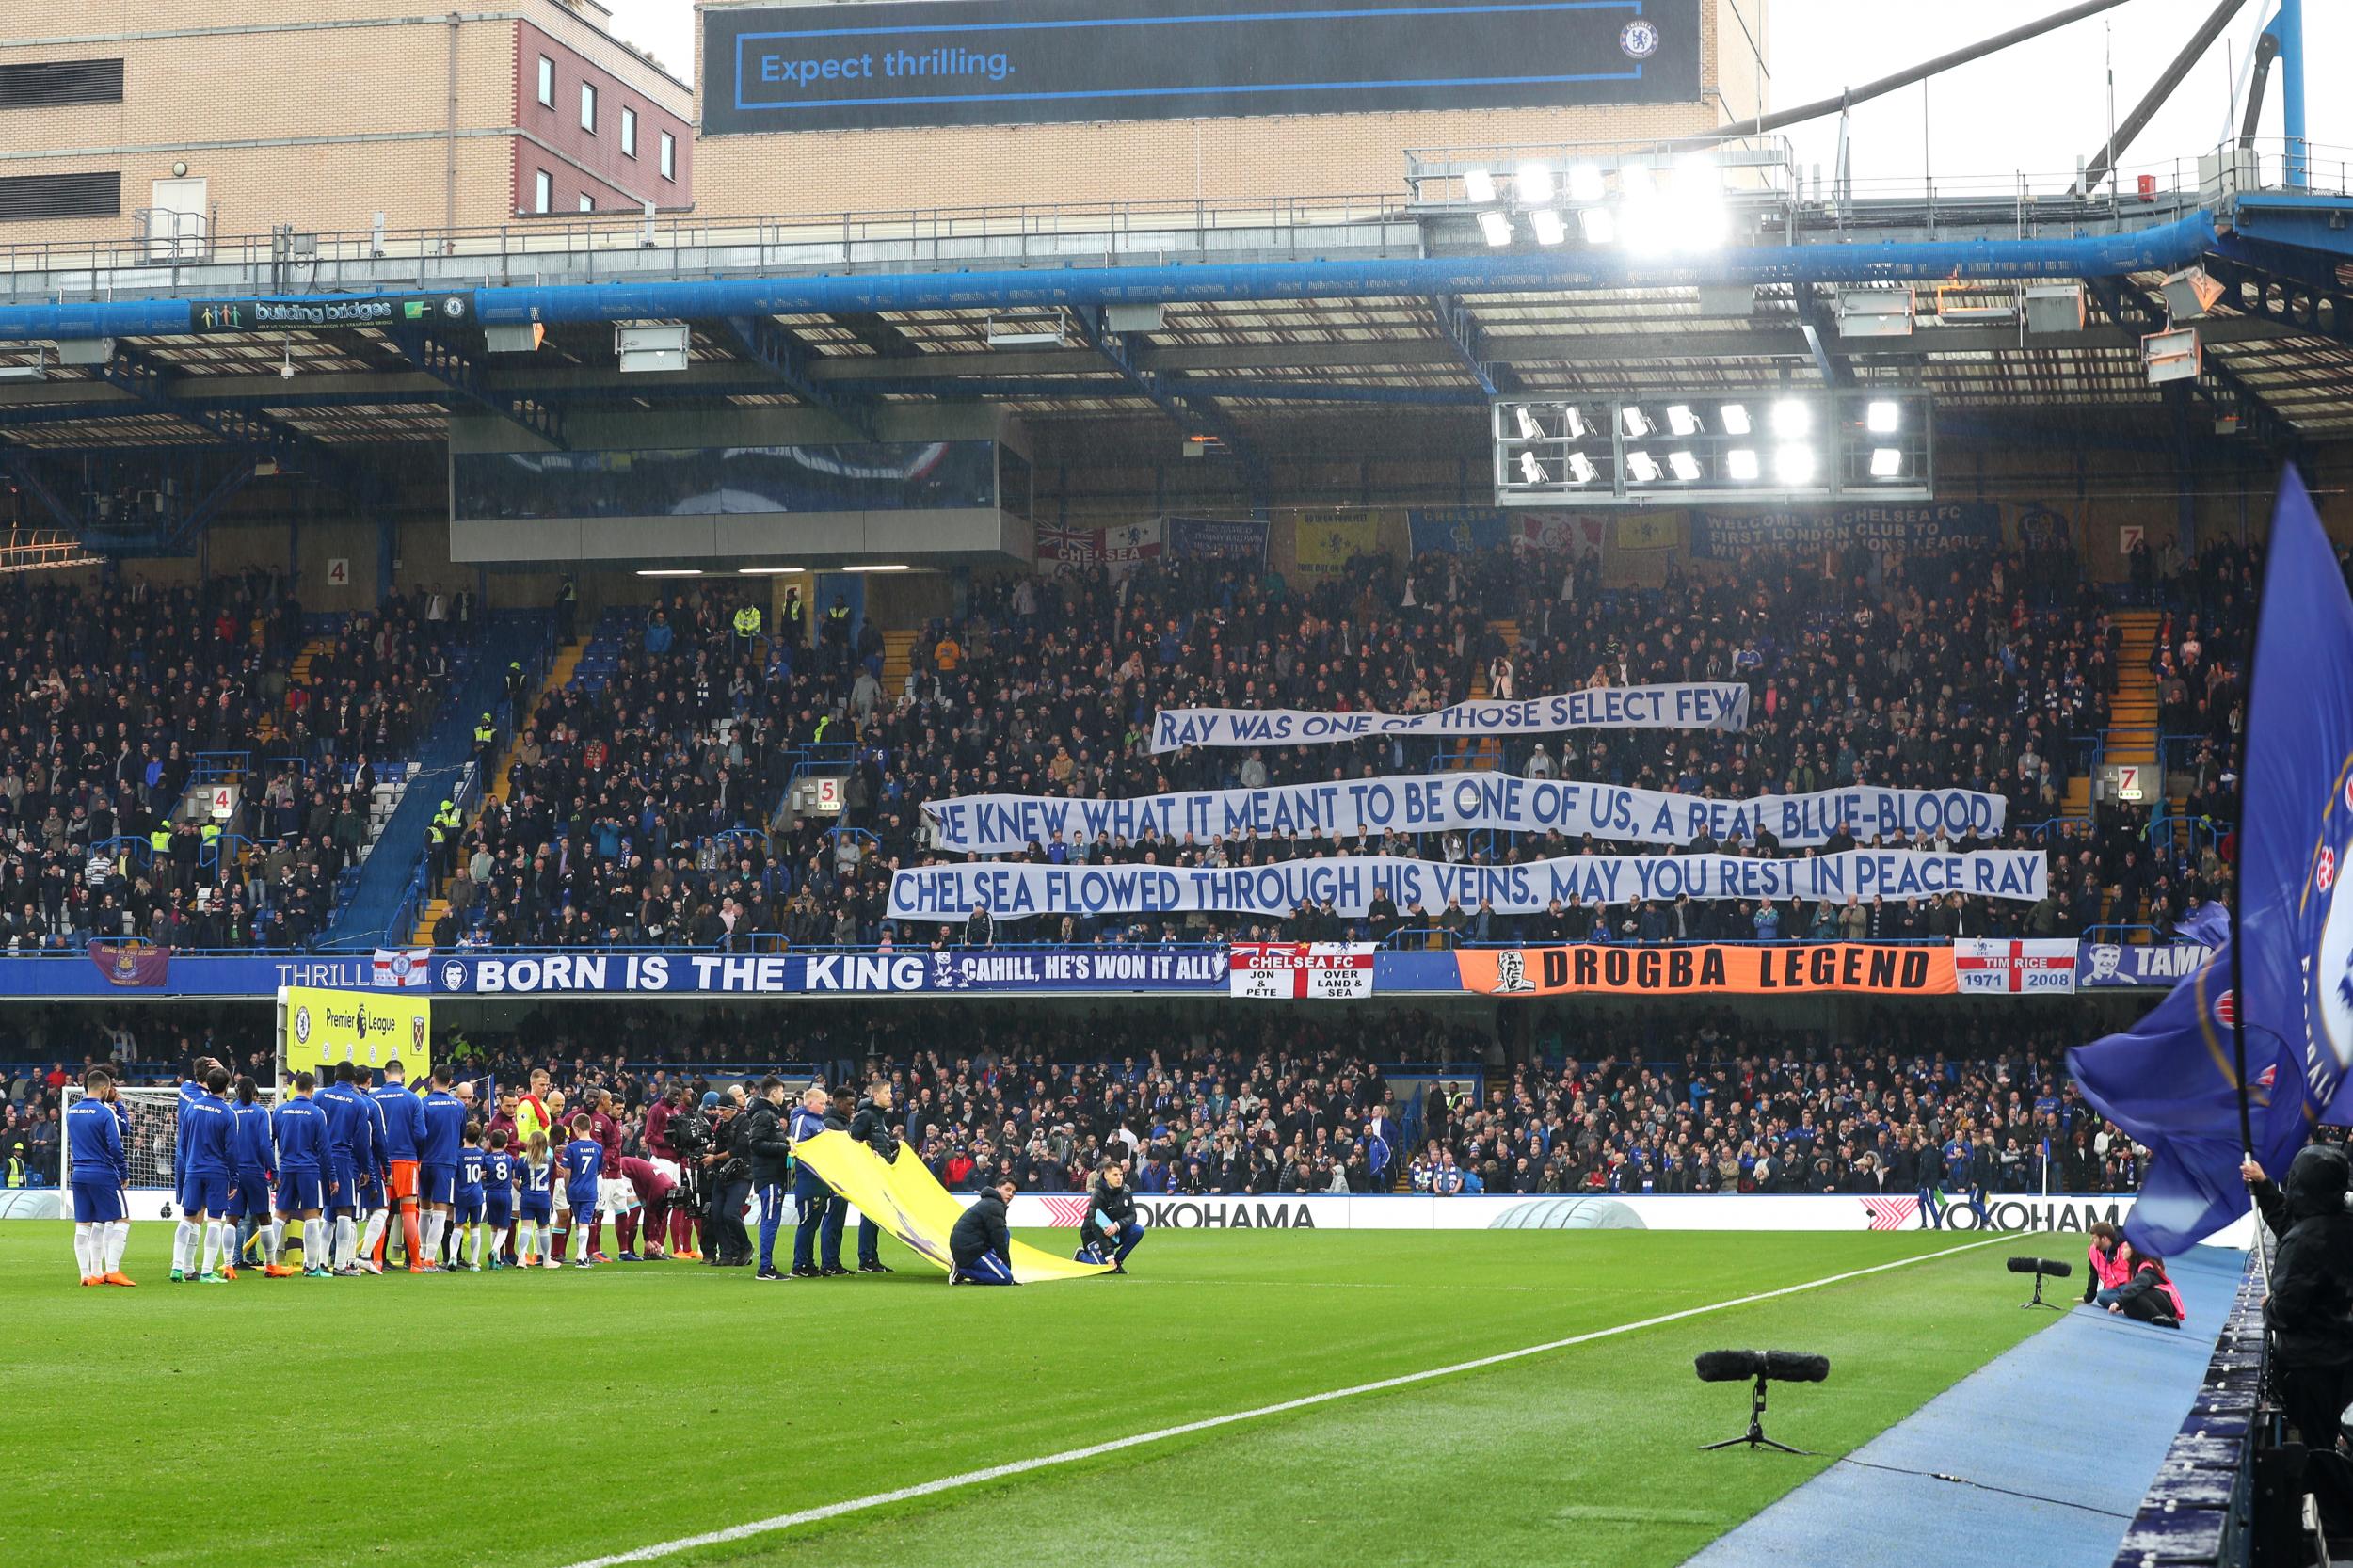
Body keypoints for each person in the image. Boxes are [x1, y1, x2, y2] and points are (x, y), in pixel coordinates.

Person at [2248, 1147, 2353, 1518]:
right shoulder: (2339, 1221)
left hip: (2309, 1364)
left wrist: (2269, 1306)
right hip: (2341, 1356)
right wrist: (2263, 1189)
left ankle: (2325, 1519)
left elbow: (2286, 1311)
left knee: (2314, 1449)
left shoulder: (2306, 1241)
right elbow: (2294, 1220)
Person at [66, 1066, 133, 1287]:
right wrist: (123, 1172)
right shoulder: (105, 1113)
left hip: (79, 1174)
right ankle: (112, 1270)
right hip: (102, 1173)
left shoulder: (72, 1111)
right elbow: (116, 1146)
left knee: (84, 1226)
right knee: (122, 1220)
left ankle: (88, 1274)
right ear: (105, 1089)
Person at [174, 1066, 234, 1284]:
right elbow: (231, 1151)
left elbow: (183, 1140)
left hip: (192, 1168)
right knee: (215, 1220)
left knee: (188, 1217)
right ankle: (208, 1271)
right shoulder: (228, 1113)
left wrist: (188, 1163)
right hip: (216, 1172)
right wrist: (233, 1179)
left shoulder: (192, 1106)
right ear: (226, 1087)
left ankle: (177, 1267)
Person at [367, 1056, 428, 1270]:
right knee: (409, 1211)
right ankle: (416, 1263)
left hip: (382, 1162)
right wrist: (417, 1155)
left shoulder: (375, 1098)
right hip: (407, 1160)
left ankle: (377, 1261)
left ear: (385, 1074)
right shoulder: (413, 1099)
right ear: (402, 1074)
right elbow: (421, 1134)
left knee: (381, 1212)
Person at [269, 1072, 330, 1279]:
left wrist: (272, 1170)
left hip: (286, 1168)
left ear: (295, 1087)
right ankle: (312, 1267)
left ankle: (271, 1263)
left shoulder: (280, 1111)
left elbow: (271, 1142)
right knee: (312, 1216)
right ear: (312, 1089)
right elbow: (324, 1148)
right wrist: (332, 1176)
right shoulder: (316, 1113)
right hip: (308, 1169)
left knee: (279, 1215)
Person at [313, 1063, 369, 1274]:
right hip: (343, 1158)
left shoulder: (320, 1097)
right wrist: (365, 1168)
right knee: (345, 1210)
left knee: (327, 1212)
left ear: (335, 1075)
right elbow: (362, 1140)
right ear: (353, 1078)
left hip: (320, 1158)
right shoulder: (358, 1102)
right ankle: (341, 1264)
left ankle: (320, 1262)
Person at [789, 1083, 847, 1279]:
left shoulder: (818, 1122)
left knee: (813, 1223)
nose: (824, 1106)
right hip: (809, 1180)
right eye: (821, 1103)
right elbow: (798, 1148)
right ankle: (800, 1264)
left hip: (820, 1181)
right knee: (808, 1222)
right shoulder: (803, 1120)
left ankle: (808, 1263)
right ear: (810, 1103)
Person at [416, 1066, 467, 1274]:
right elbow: (462, 1136)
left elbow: (418, 1133)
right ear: (451, 1081)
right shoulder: (458, 1106)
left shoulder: (423, 1103)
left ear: (432, 1080)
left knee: (424, 1209)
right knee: (440, 1211)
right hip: (446, 1163)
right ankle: (430, 1259)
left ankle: (422, 1254)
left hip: (424, 1161)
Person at [846, 1080, 900, 1273]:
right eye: (887, 1092)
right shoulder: (866, 1115)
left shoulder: (879, 1117)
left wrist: (896, 1146)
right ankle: (866, 1259)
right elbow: (852, 1141)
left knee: (875, 1218)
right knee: (869, 1217)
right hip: (869, 1174)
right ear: (875, 1095)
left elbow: (879, 1142)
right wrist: (867, 1152)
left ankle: (872, 1258)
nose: (890, 1096)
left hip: (879, 1173)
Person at [227, 1075, 275, 1278]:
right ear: (256, 1092)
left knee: (232, 1219)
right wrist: (274, 1170)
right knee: (264, 1217)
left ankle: (229, 1264)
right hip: (255, 1172)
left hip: (233, 1172)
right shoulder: (261, 1112)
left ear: (236, 1092)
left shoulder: (229, 1111)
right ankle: (271, 1265)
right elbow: (265, 1144)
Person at [746, 1077, 794, 1281]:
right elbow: (756, 1143)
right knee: (770, 1220)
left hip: (771, 1175)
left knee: (771, 1219)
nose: (784, 1096)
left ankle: (767, 1265)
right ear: (773, 1093)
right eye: (782, 1092)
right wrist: (784, 1147)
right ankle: (765, 1267)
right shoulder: (764, 1115)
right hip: (769, 1175)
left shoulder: (768, 1115)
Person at [949, 1178, 1018, 1286]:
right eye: (1007, 1189)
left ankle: (967, 1269)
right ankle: (962, 1271)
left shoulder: (991, 1202)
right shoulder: (994, 1206)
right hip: (970, 1250)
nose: (1010, 1194)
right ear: (997, 1189)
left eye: (1013, 1192)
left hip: (969, 1246)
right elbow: (998, 1240)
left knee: (1006, 1233)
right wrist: (1007, 1267)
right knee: (1006, 1278)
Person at [1079, 1158, 1143, 1273]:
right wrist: (1109, 1256)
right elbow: (1096, 1227)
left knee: (1137, 1230)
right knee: (1103, 1268)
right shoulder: (1097, 1195)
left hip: (1114, 1233)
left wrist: (1117, 1225)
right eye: (1115, 1175)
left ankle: (1117, 1263)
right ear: (1106, 1176)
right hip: (1093, 1236)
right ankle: (1080, 1255)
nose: (1119, 1178)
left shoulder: (1126, 1190)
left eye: (1121, 1174)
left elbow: (1132, 1215)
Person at [560, 1113, 603, 1268]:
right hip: (589, 1190)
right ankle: (581, 1256)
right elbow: (599, 1170)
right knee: (585, 1223)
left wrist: (567, 1187)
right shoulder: (598, 1148)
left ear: (576, 1129)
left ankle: (582, 1254)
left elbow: (567, 1172)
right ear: (591, 1127)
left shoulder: (571, 1147)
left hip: (574, 1189)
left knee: (580, 1223)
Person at [2104, 1243, 2185, 1328]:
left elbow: (2138, 1285)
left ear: (2134, 1251)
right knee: (2128, 1306)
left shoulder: (2146, 1267)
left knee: (2135, 1295)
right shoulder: (2135, 1268)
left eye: (2126, 1248)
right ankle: (2159, 1318)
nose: (2122, 1251)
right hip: (2157, 1300)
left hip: (2167, 1303)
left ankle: (2159, 1316)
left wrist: (2118, 1302)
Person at [518, 1131, 556, 1269]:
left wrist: (522, 1189)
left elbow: (516, 1180)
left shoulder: (522, 1161)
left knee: (526, 1228)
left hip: (527, 1197)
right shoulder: (548, 1160)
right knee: (544, 1228)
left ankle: (521, 1258)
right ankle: (546, 1260)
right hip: (543, 1198)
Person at [453, 1123, 487, 1272]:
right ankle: (474, 1262)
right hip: (476, 1193)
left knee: (458, 1225)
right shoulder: (481, 1153)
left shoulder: (458, 1153)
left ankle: (453, 1257)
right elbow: (481, 1170)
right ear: (479, 1137)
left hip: (461, 1193)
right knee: (475, 1226)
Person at [482, 1128, 517, 1271]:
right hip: (504, 1193)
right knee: (504, 1227)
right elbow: (513, 1175)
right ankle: (495, 1251)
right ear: (506, 1145)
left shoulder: (487, 1159)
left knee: (493, 1225)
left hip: (491, 1193)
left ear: (490, 1144)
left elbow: (483, 1173)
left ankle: (494, 1260)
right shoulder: (509, 1159)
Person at [2082, 1220, 2131, 1305]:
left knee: (2132, 1292)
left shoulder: (2126, 1248)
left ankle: (2126, 1303)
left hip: (2129, 1286)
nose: (2092, 1240)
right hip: (2112, 1290)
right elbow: (2093, 1275)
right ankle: (2128, 1304)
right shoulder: (2093, 1251)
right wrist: (2088, 1298)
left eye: (2094, 1238)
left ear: (2104, 1238)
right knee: (2101, 1296)